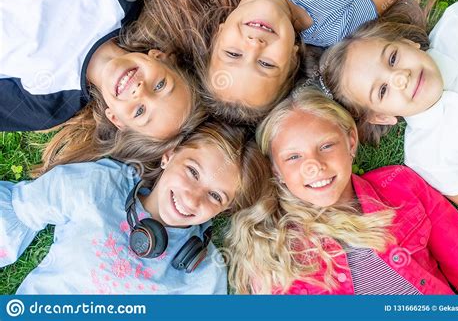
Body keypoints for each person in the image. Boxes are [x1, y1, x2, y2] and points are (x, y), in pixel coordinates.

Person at [136, 0, 432, 124]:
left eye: (233, 54)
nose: (254, 45)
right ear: (293, 59)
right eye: (266, 64)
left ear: (218, 33)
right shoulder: (334, 24)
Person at [227, 87, 458, 294]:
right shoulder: (270, 248)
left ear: (351, 142)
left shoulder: (400, 185)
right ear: (276, 169)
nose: (315, 166)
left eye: (326, 145)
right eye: (293, 156)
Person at [0, 122, 272, 294]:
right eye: (192, 172)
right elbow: (20, 209)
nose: (192, 199)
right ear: (169, 155)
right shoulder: (99, 187)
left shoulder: (204, 273)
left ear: (223, 211)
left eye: (215, 196)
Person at [0, 0, 200, 141]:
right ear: (161, 57)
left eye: (139, 111)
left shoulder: (49, 106)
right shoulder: (118, 2)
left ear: (116, 119)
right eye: (159, 85)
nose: (140, 91)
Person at [317, 0, 458, 214]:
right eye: (382, 90)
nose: (400, 77)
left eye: (392, 59)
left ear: (408, 44)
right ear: (381, 117)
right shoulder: (425, 156)